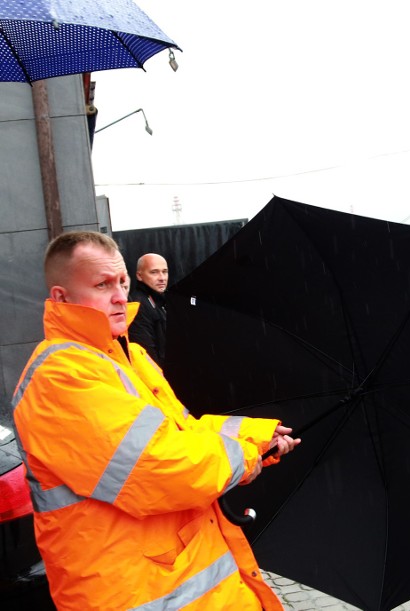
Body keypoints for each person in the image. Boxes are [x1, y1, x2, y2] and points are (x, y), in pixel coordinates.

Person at [12, 231, 300, 610]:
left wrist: (258, 434)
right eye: (102, 285)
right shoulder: (60, 376)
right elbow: (160, 466)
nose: (119, 296)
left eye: (122, 283)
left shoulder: (130, 358)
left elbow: (181, 430)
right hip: (131, 589)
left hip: (181, 577)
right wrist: (245, 457)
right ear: (61, 298)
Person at [129, 252, 169, 366]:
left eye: (164, 272)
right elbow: (146, 354)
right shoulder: (137, 305)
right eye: (154, 272)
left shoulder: (161, 300)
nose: (162, 278)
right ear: (139, 276)